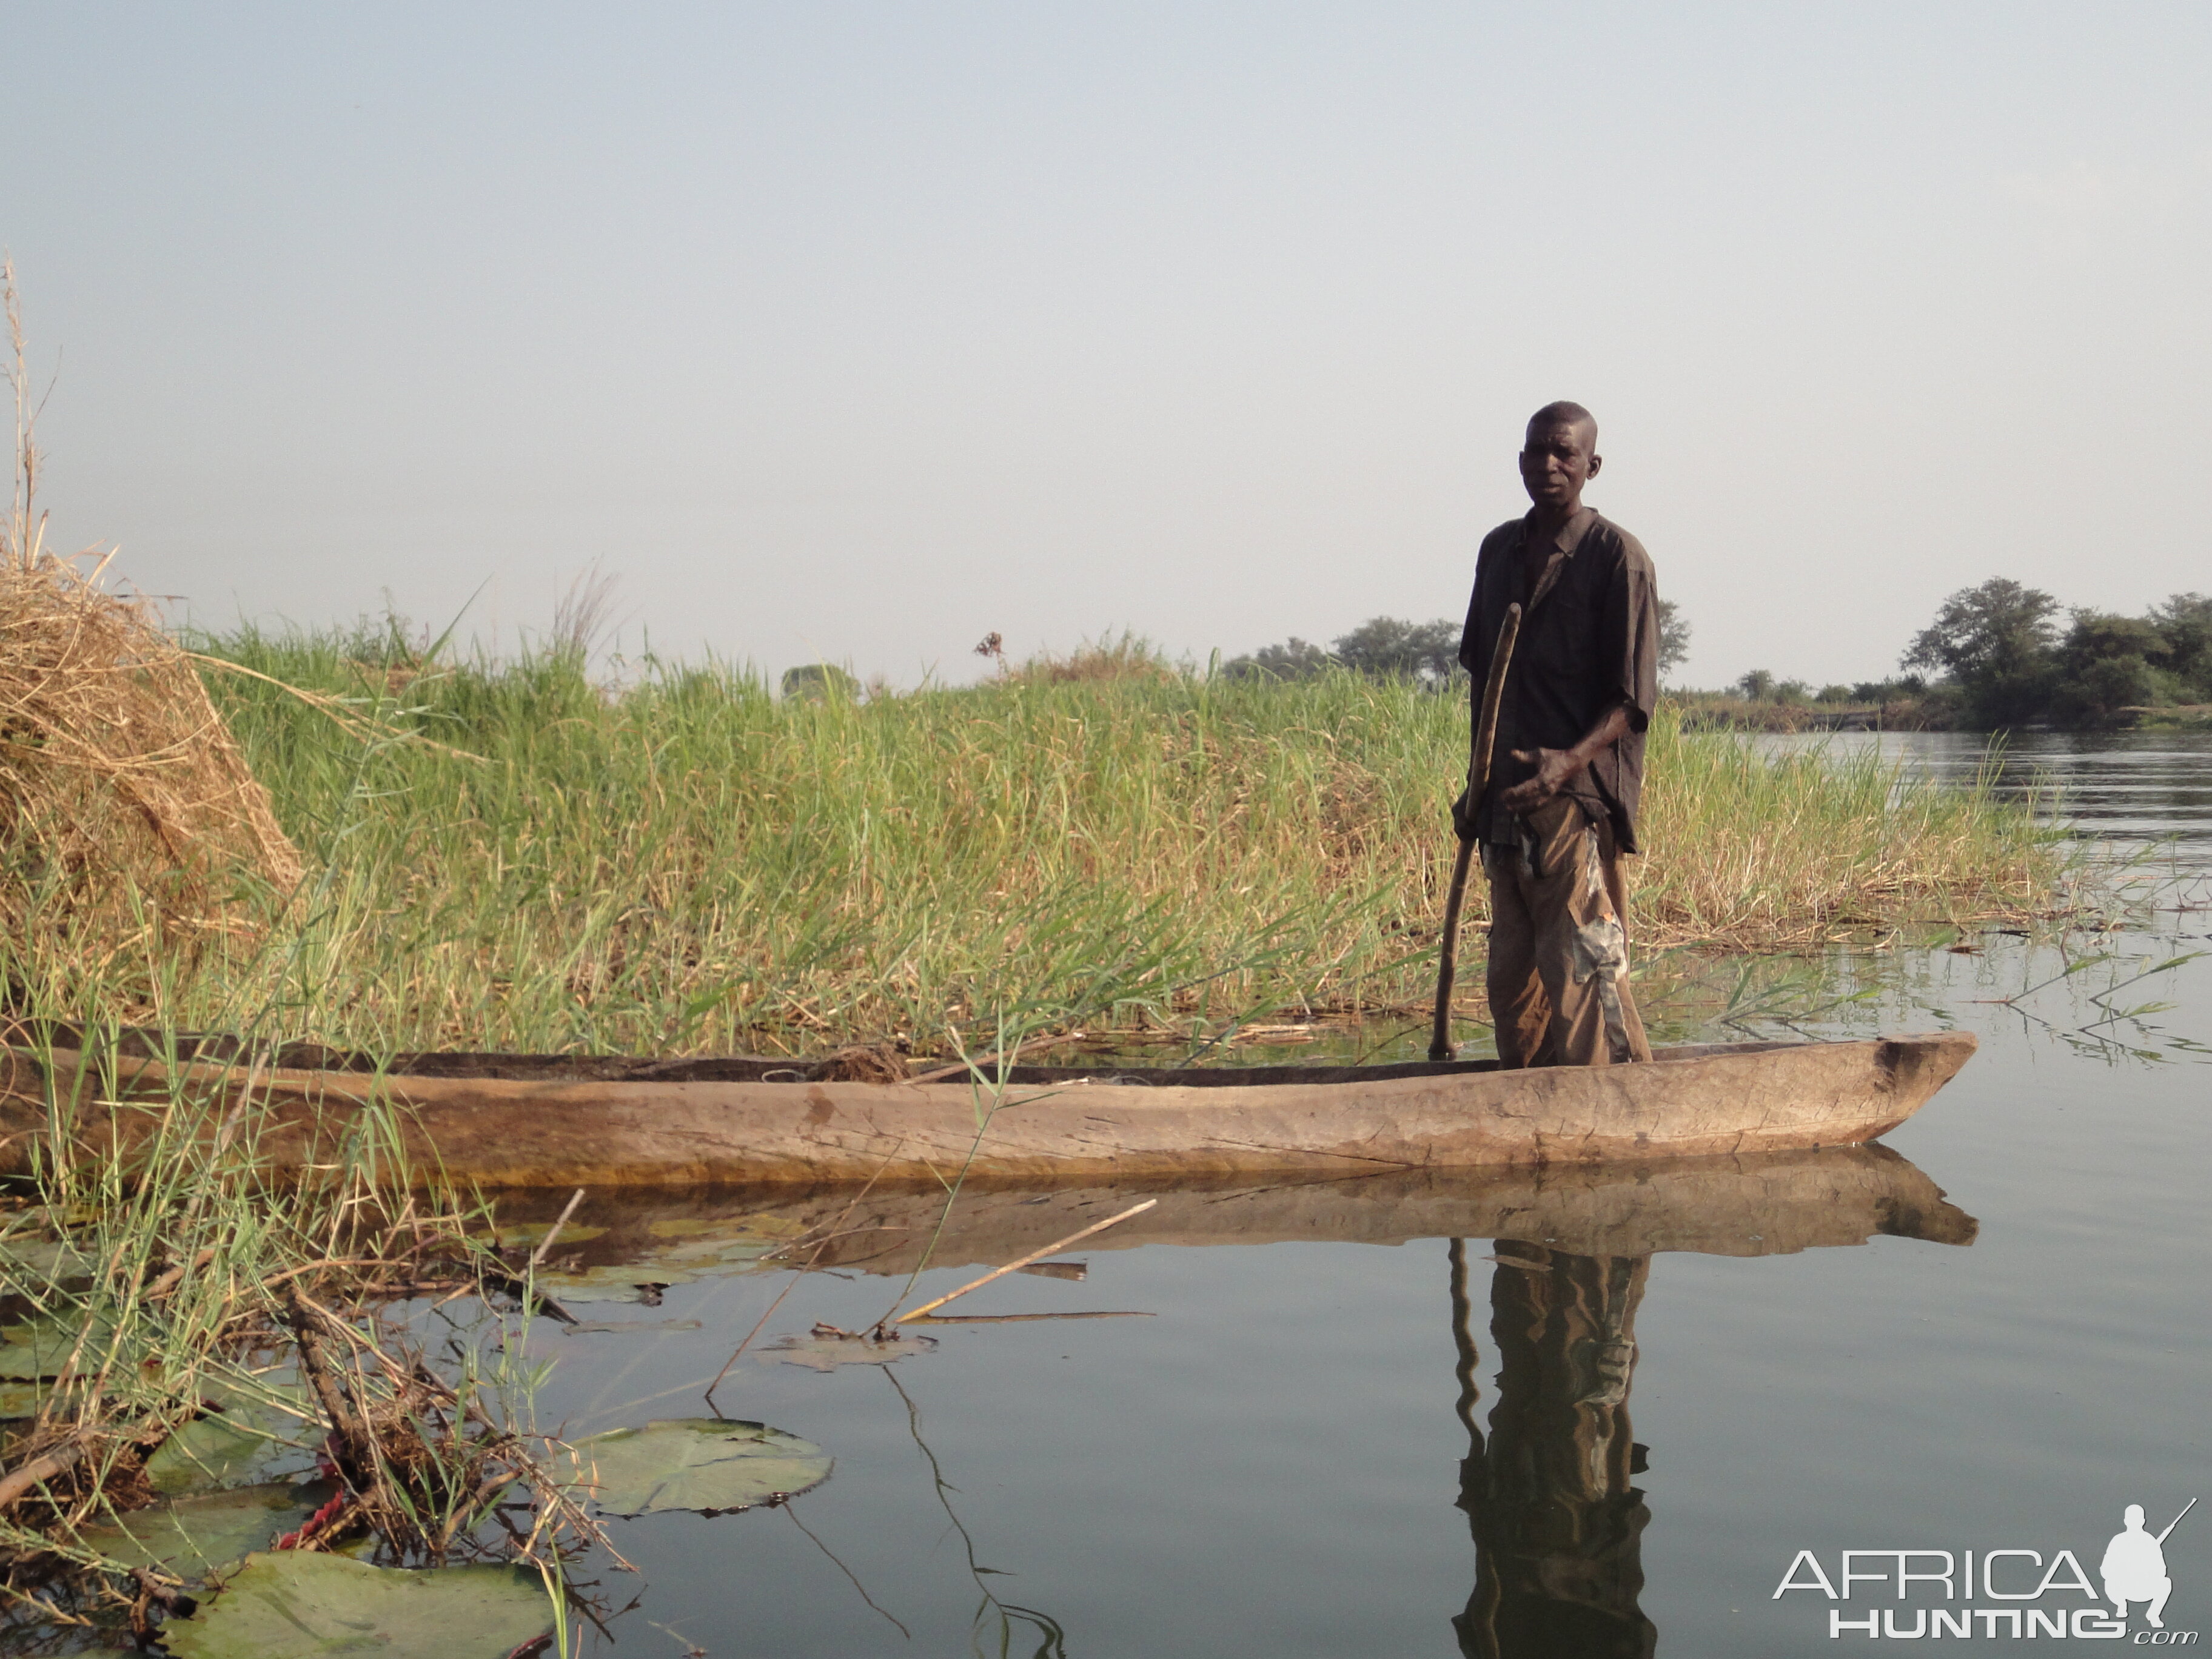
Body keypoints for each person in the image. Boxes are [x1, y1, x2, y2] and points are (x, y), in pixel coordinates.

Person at [1455, 402, 1659, 1068]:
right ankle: (1532, 1113)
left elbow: (1633, 701)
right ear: (1520, 461)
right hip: (1505, 808)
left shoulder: (1617, 559)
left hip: (1574, 805)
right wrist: (1474, 788)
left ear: (1591, 466)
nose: (1549, 464)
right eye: (1538, 451)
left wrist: (1566, 763)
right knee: (1512, 989)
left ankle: (1600, 1103)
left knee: (1584, 980)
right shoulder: (1498, 550)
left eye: (1564, 454)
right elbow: (1484, 681)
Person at [2100, 1504, 2173, 1628]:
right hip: (2122, 1588)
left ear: (2143, 1521)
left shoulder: (2150, 1541)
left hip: (2145, 1588)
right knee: (2109, 1582)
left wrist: (2145, 1570)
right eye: (2131, 1519)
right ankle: (2121, 1605)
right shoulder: (2118, 1540)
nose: (2134, 1522)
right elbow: (2105, 1569)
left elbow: (2162, 1570)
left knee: (2166, 1583)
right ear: (2125, 1521)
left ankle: (2153, 1615)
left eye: (2137, 1519)